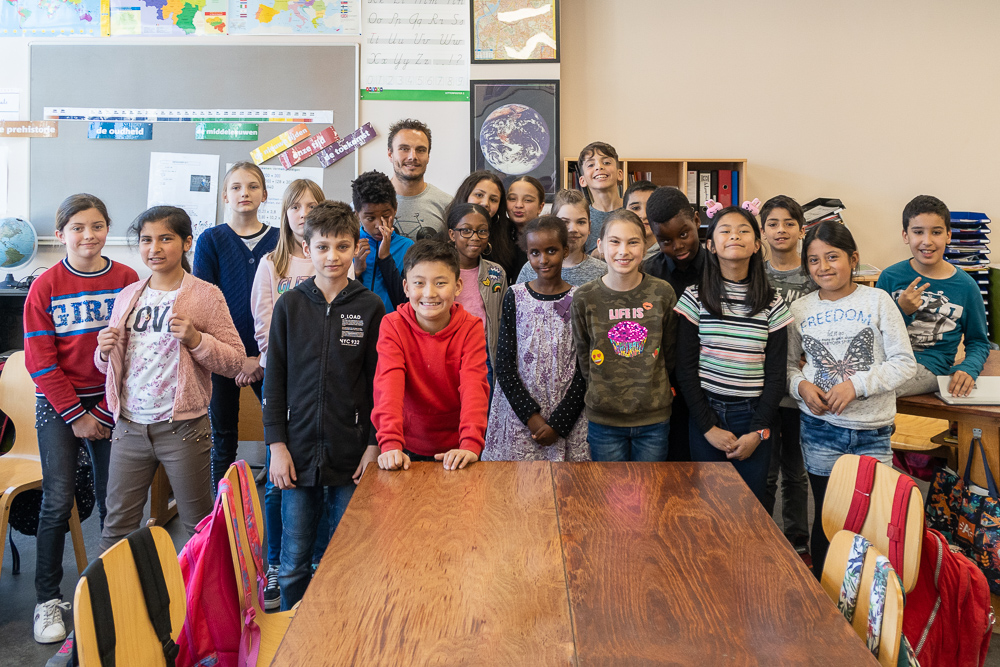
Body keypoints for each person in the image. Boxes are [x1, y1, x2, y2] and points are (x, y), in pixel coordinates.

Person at [95, 206, 246, 554]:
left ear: (187, 242)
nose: (155, 248)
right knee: (117, 526)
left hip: (183, 430)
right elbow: (110, 366)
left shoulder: (206, 295)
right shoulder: (128, 296)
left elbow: (235, 360)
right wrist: (103, 353)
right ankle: (113, 607)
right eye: (146, 240)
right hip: (130, 428)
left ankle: (206, 606)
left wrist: (197, 340)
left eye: (166, 238)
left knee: (198, 525)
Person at [25, 194, 138, 644]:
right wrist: (76, 416)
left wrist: (104, 411)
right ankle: (47, 599)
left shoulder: (127, 279)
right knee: (57, 501)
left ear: (108, 229)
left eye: (96, 226)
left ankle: (115, 590)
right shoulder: (45, 285)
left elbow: (136, 350)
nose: (88, 235)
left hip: (111, 402)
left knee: (118, 504)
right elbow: (39, 360)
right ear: (61, 235)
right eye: (77, 228)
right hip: (59, 406)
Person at [264, 201, 384, 610]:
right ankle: (291, 637)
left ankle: (341, 631)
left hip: (350, 454)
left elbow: (376, 384)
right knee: (295, 560)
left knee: (345, 555)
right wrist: (276, 446)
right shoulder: (290, 306)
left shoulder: (370, 307)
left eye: (342, 246)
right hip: (295, 454)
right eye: (323, 247)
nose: (332, 257)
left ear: (355, 249)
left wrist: (373, 445)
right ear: (306, 247)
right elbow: (274, 382)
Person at [787, 221, 916, 577]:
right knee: (829, 520)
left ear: (853, 258)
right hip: (820, 431)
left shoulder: (878, 301)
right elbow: (786, 368)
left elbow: (904, 363)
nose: (824, 267)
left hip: (872, 432)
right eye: (814, 260)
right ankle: (826, 602)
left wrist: (855, 385)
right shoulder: (799, 310)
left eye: (833, 257)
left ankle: (868, 608)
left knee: (873, 522)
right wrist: (801, 387)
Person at [250, 178, 346, 609]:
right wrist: (276, 439)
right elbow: (269, 340)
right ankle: (278, 570)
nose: (304, 212)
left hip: (338, 420)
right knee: (284, 495)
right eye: (297, 206)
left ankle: (323, 589)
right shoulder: (276, 271)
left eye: (314, 205)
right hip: (290, 402)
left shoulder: (358, 295)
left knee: (329, 518)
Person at [674, 201, 792, 505]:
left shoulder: (773, 303)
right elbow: (685, 368)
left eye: (744, 230)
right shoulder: (694, 297)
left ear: (756, 244)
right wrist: (708, 427)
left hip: (754, 418)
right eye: (725, 230)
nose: (735, 236)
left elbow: (777, 374)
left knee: (747, 507)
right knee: (706, 505)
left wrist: (757, 431)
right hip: (706, 415)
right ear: (711, 245)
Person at [193, 161, 279, 490]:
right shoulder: (211, 240)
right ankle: (222, 515)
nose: (245, 192)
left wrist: (260, 358)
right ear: (225, 197)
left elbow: (285, 304)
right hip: (221, 356)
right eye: (236, 187)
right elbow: (205, 303)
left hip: (270, 356)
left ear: (265, 194)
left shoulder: (280, 240)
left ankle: (277, 505)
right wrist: (233, 358)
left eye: (253, 186)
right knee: (223, 436)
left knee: (279, 431)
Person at [373, 240, 490, 472]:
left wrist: (470, 443)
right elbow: (388, 385)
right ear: (406, 287)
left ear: (457, 286)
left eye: (440, 283)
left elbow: (474, 386)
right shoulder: (392, 325)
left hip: (458, 448)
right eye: (419, 283)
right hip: (404, 446)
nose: (429, 293)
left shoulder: (471, 328)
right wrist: (390, 443)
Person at [571, 210, 676, 462]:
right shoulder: (585, 297)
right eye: (615, 241)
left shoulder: (662, 293)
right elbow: (584, 354)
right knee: (610, 498)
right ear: (600, 245)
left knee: (650, 494)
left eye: (633, 242)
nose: (623, 250)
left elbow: (670, 350)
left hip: (653, 417)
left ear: (645, 245)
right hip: (604, 419)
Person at [483, 216, 589, 462]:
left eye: (551, 251)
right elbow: (505, 364)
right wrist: (531, 417)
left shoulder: (580, 299)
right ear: (527, 254)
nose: (543, 260)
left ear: (565, 250)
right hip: (521, 418)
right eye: (535, 253)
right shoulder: (514, 296)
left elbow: (585, 368)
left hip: (567, 418)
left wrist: (559, 423)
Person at [876, 195, 989, 397]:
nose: (927, 241)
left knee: (872, 390)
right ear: (905, 235)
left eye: (936, 232)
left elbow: (979, 341)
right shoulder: (890, 277)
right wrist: (901, 311)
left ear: (948, 235)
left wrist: (968, 368)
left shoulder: (966, 286)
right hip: (887, 360)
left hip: (930, 367)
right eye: (918, 232)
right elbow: (875, 333)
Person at [759, 195, 814, 559]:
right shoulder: (753, 273)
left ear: (801, 229)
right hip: (760, 388)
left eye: (789, 223)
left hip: (799, 391)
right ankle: (759, 536)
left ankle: (798, 542)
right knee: (764, 470)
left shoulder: (813, 276)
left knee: (795, 472)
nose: (781, 230)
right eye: (773, 224)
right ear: (761, 231)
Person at [642, 186, 705, 462]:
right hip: (664, 390)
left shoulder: (720, 269)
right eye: (665, 240)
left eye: (683, 234)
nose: (677, 246)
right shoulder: (646, 274)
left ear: (697, 220)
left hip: (709, 387)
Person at [446, 202, 507, 372]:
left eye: (482, 231)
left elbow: (503, 320)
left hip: (484, 354)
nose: (475, 237)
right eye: (466, 230)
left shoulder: (496, 274)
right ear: (452, 234)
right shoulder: (439, 271)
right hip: (447, 352)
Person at [352, 169, 413, 314]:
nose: (379, 225)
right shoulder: (349, 245)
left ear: (395, 208)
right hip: (357, 329)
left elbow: (404, 302)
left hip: (394, 329)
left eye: (386, 215)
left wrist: (385, 258)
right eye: (370, 218)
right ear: (357, 214)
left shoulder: (407, 247)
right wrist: (356, 272)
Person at [517, 188, 607, 286]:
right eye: (564, 222)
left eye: (581, 222)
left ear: (589, 226)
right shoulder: (532, 269)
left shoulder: (602, 271)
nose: (573, 229)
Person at [386, 118, 452, 240]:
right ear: (390, 154)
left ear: (428, 156)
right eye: (404, 149)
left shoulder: (447, 205)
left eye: (420, 150)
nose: (413, 157)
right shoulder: (366, 205)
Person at [447, 170, 517, 280]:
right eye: (479, 195)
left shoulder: (509, 238)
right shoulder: (441, 239)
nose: (485, 203)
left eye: (493, 199)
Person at [577, 141, 624, 252]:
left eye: (607, 162)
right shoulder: (581, 219)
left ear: (619, 174)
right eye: (591, 165)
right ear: (582, 181)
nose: (599, 167)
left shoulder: (634, 211)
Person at [506, 175, 546, 279]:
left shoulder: (547, 238)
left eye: (527, 200)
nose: (519, 205)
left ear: (540, 207)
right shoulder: (495, 236)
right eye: (512, 199)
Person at [623, 180, 659, 261]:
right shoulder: (615, 254)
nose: (644, 215)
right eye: (635, 208)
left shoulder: (670, 255)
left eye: (650, 207)